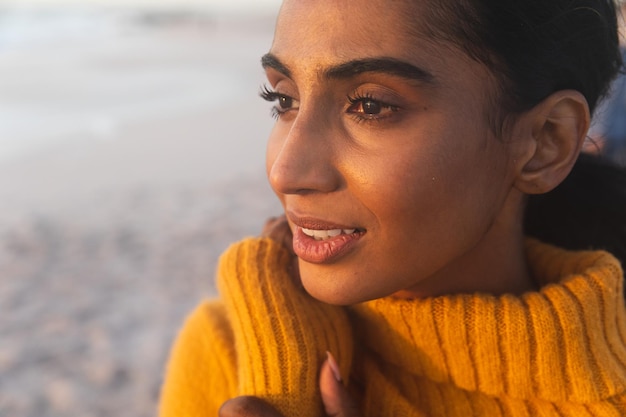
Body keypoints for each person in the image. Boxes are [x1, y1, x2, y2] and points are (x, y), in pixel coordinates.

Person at [159, 0, 626, 416]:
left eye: (370, 106)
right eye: (284, 100)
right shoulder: (229, 353)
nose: (286, 172)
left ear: (546, 141)